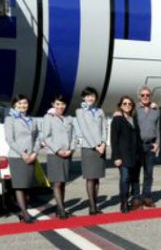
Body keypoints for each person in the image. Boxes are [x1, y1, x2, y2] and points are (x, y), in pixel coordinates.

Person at [40, 94, 77, 219]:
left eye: (62, 104)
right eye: (57, 104)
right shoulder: (48, 118)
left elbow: (74, 136)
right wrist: (58, 150)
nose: (60, 106)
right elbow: (46, 137)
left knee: (63, 183)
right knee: (56, 183)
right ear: (53, 105)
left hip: (67, 154)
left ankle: (59, 208)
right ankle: (61, 210)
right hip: (55, 154)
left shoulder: (69, 118)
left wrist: (71, 150)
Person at [5, 95, 39, 223]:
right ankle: (24, 213)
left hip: (31, 156)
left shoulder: (32, 120)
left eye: (25, 103)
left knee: (27, 186)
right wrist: (23, 154)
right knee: (20, 186)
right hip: (17, 157)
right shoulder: (10, 119)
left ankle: (22, 210)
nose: (22, 105)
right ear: (14, 105)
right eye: (19, 103)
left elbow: (37, 138)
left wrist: (35, 152)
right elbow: (10, 139)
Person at [74, 86, 107, 215]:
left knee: (97, 177)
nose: (90, 98)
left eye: (92, 96)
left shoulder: (100, 111)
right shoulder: (79, 111)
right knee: (90, 178)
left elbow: (104, 128)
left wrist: (103, 143)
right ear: (83, 97)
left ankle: (96, 204)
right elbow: (85, 130)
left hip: (101, 147)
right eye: (88, 96)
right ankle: (92, 207)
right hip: (89, 148)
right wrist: (96, 145)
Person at [111, 96, 143, 213]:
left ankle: (136, 200)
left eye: (130, 104)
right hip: (123, 155)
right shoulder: (117, 119)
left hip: (135, 154)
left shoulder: (134, 119)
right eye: (124, 104)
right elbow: (114, 140)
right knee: (124, 179)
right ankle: (124, 202)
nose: (127, 105)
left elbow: (138, 137)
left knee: (135, 179)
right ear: (120, 105)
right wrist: (116, 157)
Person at [135, 86, 159, 208]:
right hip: (137, 146)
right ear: (139, 96)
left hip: (150, 146)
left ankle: (146, 197)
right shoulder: (134, 109)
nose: (145, 97)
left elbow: (158, 127)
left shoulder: (155, 109)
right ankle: (136, 198)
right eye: (143, 95)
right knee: (136, 173)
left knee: (148, 174)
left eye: (147, 95)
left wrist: (158, 143)